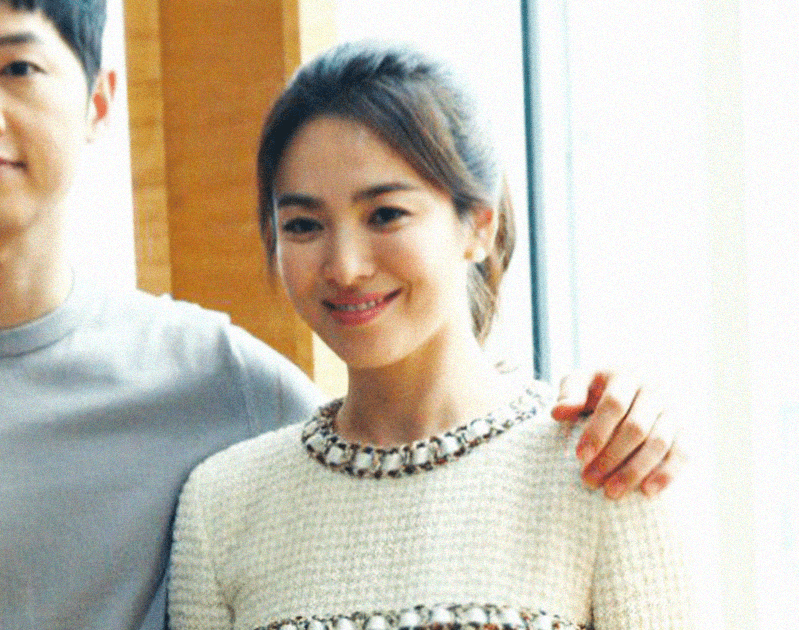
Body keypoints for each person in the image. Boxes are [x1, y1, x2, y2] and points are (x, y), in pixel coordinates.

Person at [0, 2, 681, 629]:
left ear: (99, 99)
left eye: (18, 64)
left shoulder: (224, 385)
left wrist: (622, 413)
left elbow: (426, 439)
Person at [168, 42, 692, 630]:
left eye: (386, 214)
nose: (345, 267)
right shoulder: (223, 504)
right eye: (304, 225)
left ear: (480, 226)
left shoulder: (604, 462)